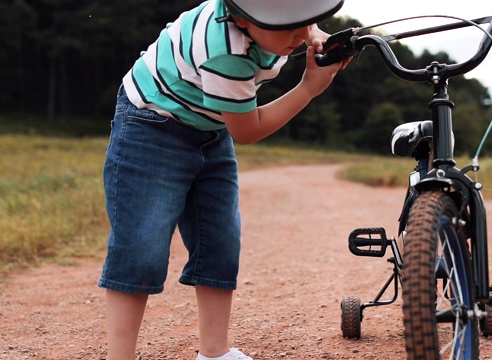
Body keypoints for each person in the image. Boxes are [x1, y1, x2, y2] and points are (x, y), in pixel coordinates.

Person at [97, 0, 347, 359]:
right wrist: (308, 88)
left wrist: (317, 36)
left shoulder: (270, 25)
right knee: (142, 246)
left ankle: (215, 353)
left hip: (210, 127)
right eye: (288, 25)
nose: (301, 33)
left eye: (306, 21)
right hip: (151, 125)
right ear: (243, 19)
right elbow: (247, 129)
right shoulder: (226, 50)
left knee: (220, 241)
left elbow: (301, 29)